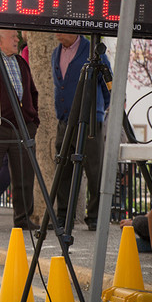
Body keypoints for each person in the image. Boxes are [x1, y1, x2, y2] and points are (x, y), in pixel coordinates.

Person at [0, 29, 41, 231]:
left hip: (23, 127)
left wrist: (33, 120)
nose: (17, 39)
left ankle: (23, 218)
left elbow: (32, 92)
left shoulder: (21, 62)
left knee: (25, 175)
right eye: (12, 37)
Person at [52, 33, 111, 231]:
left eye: (61, 28)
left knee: (94, 170)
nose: (57, 33)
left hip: (90, 121)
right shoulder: (56, 53)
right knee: (63, 170)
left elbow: (108, 85)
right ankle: (63, 216)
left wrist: (97, 109)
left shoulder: (92, 51)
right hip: (65, 121)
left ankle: (95, 217)